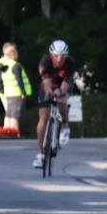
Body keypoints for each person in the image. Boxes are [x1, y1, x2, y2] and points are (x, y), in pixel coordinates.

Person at [33, 40, 77, 169]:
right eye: (56, 55)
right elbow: (46, 83)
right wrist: (50, 92)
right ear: (51, 55)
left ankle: (65, 125)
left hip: (63, 84)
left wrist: (60, 92)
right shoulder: (44, 62)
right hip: (49, 84)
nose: (59, 59)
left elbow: (66, 83)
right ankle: (40, 154)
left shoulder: (70, 63)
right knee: (43, 116)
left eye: (62, 56)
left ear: (66, 56)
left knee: (62, 102)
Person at [0, 42, 32, 132]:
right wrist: (23, 92)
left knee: (8, 114)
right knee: (15, 116)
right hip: (16, 94)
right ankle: (15, 133)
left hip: (8, 93)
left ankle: (6, 133)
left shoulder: (3, 65)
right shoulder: (15, 65)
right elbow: (19, 81)